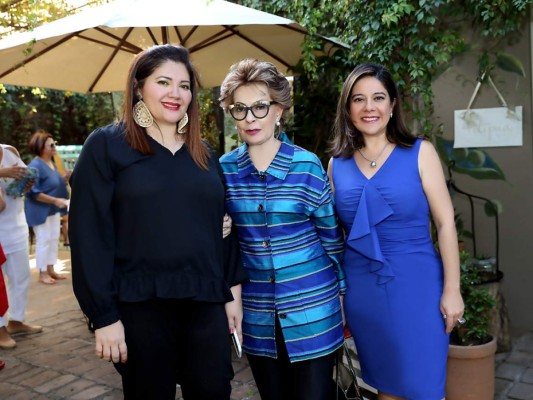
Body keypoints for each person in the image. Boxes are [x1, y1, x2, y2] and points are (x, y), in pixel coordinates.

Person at [69, 44, 247, 400]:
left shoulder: (205, 152)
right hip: (140, 305)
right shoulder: (106, 146)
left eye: (184, 85)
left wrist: (231, 294)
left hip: (204, 299)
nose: (175, 93)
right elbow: (89, 235)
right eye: (163, 82)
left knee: (214, 390)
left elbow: (223, 226)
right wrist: (102, 316)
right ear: (138, 86)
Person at [328, 62, 465, 400]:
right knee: (386, 388)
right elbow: (332, 235)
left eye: (378, 97)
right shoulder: (336, 164)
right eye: (358, 99)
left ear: (392, 105)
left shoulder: (421, 152)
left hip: (418, 287)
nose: (368, 107)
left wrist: (453, 289)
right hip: (363, 292)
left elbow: (445, 223)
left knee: (424, 387)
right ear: (347, 109)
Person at [218, 59, 346, 400]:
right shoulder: (224, 171)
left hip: (315, 311)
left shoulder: (307, 165)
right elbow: (223, 243)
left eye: (260, 107)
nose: (250, 118)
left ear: (280, 110)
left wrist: (344, 296)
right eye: (240, 109)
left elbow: (332, 240)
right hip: (257, 318)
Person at [0, 144, 43, 350]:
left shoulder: (9, 151)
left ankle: (16, 320)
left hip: (16, 225)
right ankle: (0, 329)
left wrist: (26, 182)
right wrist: (2, 172)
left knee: (22, 276)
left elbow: (24, 178)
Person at [25, 130, 69, 284]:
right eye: (51, 144)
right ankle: (42, 272)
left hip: (52, 209)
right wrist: (56, 200)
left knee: (53, 238)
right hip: (40, 210)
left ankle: (51, 268)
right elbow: (33, 192)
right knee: (43, 240)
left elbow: (52, 184)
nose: (54, 146)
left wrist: (64, 179)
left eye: (54, 143)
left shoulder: (51, 163)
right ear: (40, 147)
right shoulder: (35, 166)